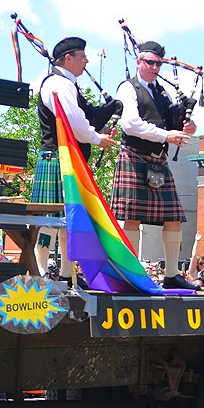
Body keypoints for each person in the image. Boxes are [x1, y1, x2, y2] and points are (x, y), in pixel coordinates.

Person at [112, 41, 199, 291]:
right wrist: (166, 135)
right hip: (134, 156)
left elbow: (175, 123)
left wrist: (188, 126)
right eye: (150, 62)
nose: (154, 67)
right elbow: (130, 124)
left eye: (158, 63)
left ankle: (171, 274)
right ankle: (131, 273)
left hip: (158, 160)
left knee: (174, 218)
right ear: (139, 62)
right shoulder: (128, 88)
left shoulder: (162, 92)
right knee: (132, 218)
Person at [32, 36, 118, 282]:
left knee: (70, 219)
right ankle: (40, 272)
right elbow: (73, 121)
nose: (87, 61)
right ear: (68, 58)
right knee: (49, 219)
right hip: (58, 158)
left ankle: (67, 274)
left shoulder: (68, 84)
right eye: (83, 56)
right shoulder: (57, 83)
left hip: (67, 159)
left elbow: (82, 120)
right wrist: (97, 139)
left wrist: (100, 130)